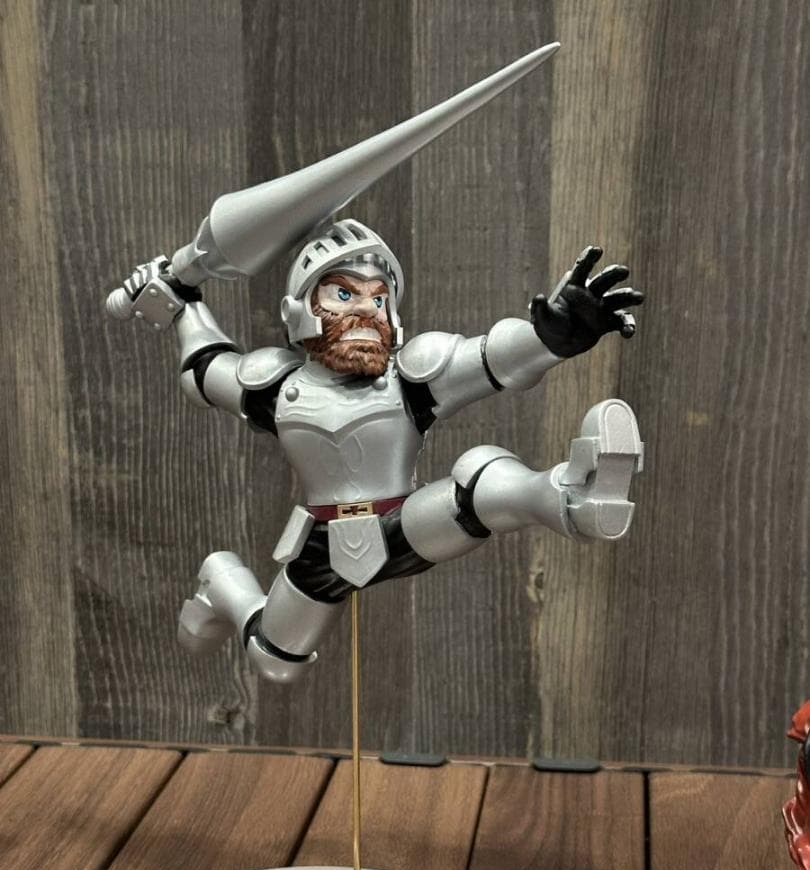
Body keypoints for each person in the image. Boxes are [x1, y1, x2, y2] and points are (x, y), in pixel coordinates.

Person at [121, 218, 644, 682]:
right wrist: (179, 299)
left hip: (404, 525)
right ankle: (222, 584)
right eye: (343, 294)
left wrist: (551, 339)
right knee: (273, 660)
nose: (366, 310)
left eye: (379, 298)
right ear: (298, 308)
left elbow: (488, 359)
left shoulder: (409, 378)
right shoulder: (274, 387)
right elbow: (205, 368)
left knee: (475, 493)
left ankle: (567, 492)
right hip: (321, 546)